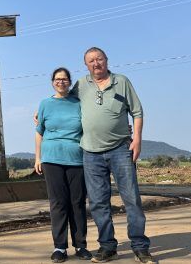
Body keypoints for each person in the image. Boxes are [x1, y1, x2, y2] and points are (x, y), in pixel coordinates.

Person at [75, 47, 155, 264]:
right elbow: (64, 103)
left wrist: (137, 139)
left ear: (106, 60)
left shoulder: (122, 81)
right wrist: (41, 112)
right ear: (86, 65)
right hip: (90, 152)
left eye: (99, 59)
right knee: (99, 202)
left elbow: (137, 112)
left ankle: (140, 247)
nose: (96, 63)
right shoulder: (81, 85)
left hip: (121, 149)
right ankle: (108, 247)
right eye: (91, 61)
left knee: (132, 199)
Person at [34, 67, 92, 263]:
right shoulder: (45, 104)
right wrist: (37, 157)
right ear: (52, 82)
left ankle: (80, 245)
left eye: (65, 79)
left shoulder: (78, 104)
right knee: (58, 204)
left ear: (69, 82)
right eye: (57, 79)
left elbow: (89, 126)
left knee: (77, 203)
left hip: (76, 159)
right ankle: (60, 247)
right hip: (51, 159)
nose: (61, 82)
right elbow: (39, 131)